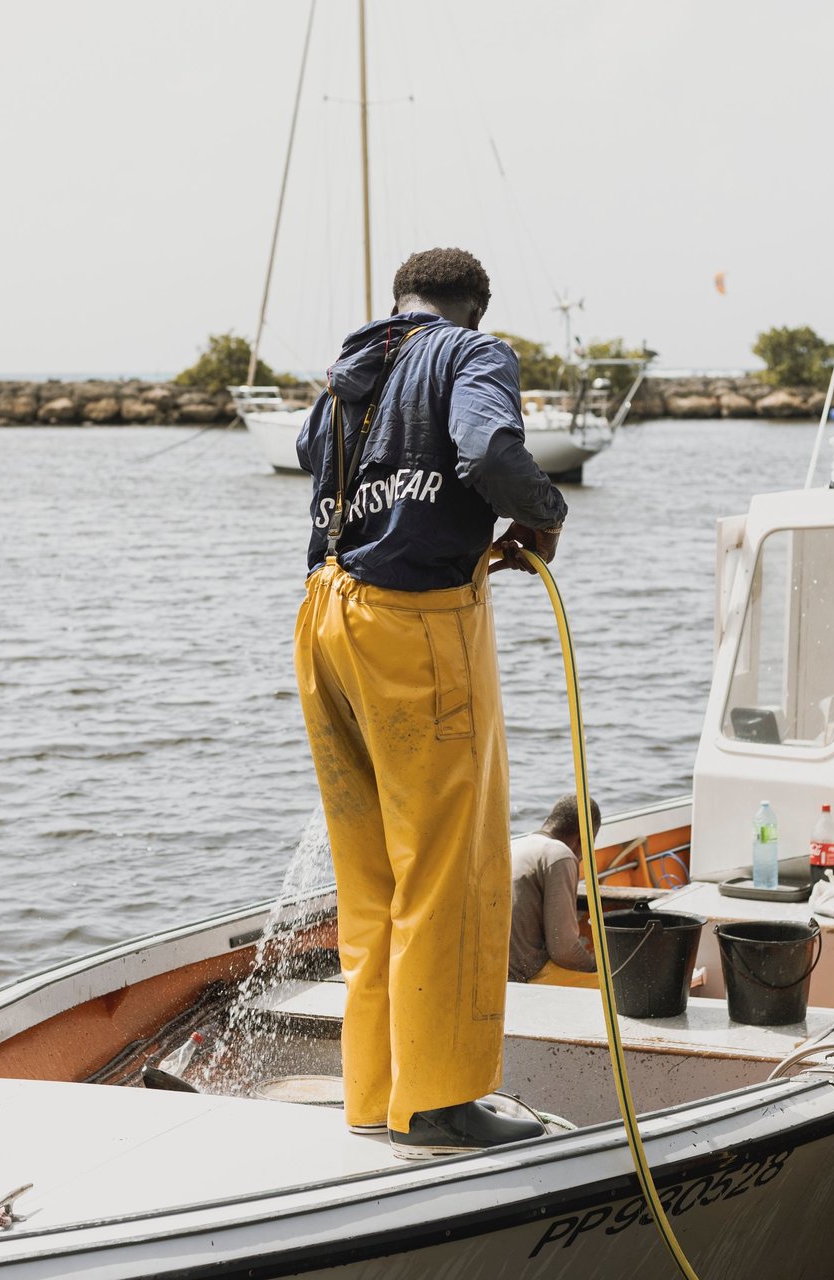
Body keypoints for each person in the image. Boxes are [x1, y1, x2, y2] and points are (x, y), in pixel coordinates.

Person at [292, 247, 569, 1159]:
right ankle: (440, 1104)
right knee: (449, 871)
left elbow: (308, 455)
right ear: (475, 308)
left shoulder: (354, 363)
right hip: (414, 628)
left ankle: (375, 1094)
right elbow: (488, 447)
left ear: (402, 299)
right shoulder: (471, 355)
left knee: (371, 877)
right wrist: (544, 510)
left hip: (327, 618)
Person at [509, 794, 603, 988]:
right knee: (617, 988)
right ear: (582, 839)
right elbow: (563, 949)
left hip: (496, 973)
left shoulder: (513, 845)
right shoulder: (560, 855)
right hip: (525, 978)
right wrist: (595, 967)